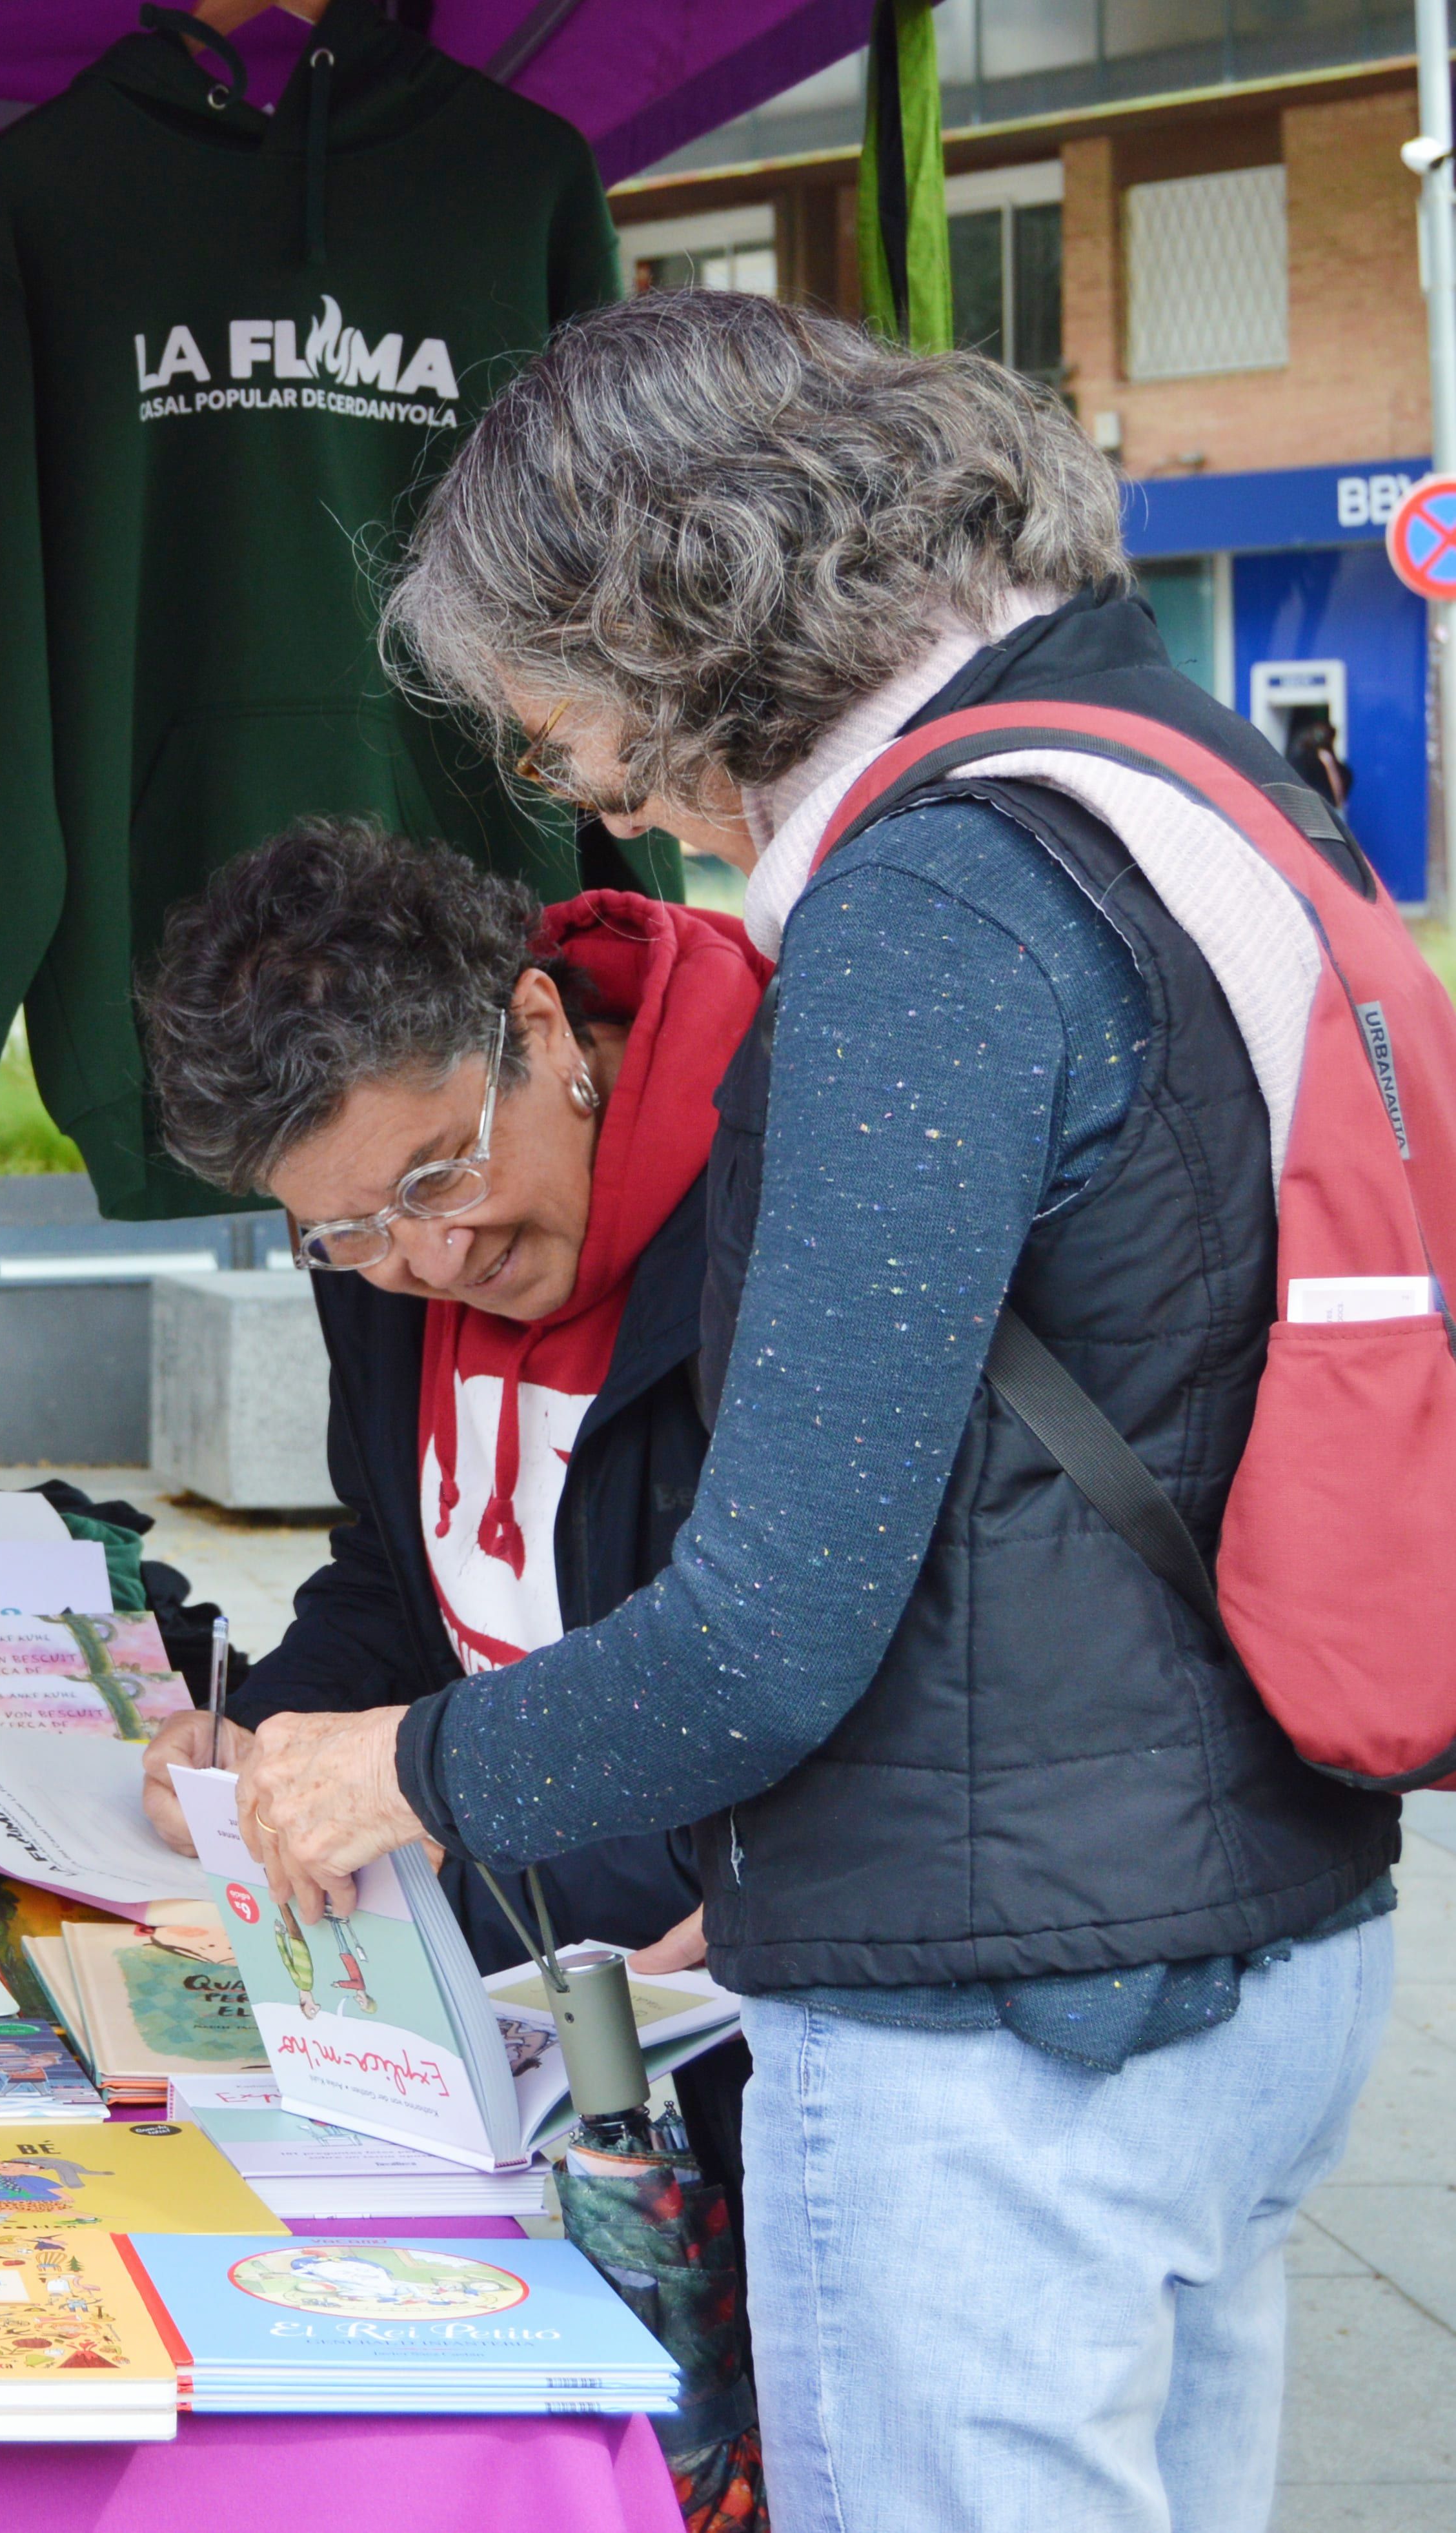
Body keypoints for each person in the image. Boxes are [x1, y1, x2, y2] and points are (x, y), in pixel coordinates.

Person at [226, 291, 1397, 2532]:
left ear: (660, 609)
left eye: (546, 705)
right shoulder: (1178, 775)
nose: (569, 774)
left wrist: (401, 1764)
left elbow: (770, 1626)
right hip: (1248, 1922)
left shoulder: (935, 905)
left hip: (1009, 2018)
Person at [130, 820, 767, 2168]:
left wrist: (782, 1857)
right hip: (522, 1969)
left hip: (736, 1990)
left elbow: (824, 1626)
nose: (428, 1254)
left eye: (440, 1172)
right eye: (347, 1229)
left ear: (536, 1026)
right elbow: (395, 1576)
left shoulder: (774, 1200)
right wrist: (266, 1731)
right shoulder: (377, 1265)